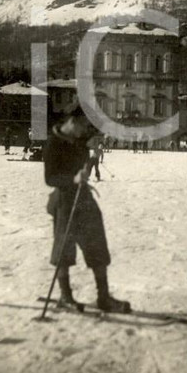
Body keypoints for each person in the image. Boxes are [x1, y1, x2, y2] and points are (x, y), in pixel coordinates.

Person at [45, 104, 130, 313]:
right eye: (83, 125)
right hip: (64, 201)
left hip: (84, 199)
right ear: (71, 122)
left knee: (97, 245)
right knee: (64, 250)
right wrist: (72, 179)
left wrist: (91, 161)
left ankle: (104, 297)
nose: (85, 131)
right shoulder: (53, 143)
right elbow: (50, 178)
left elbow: (84, 172)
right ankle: (65, 296)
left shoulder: (80, 142)